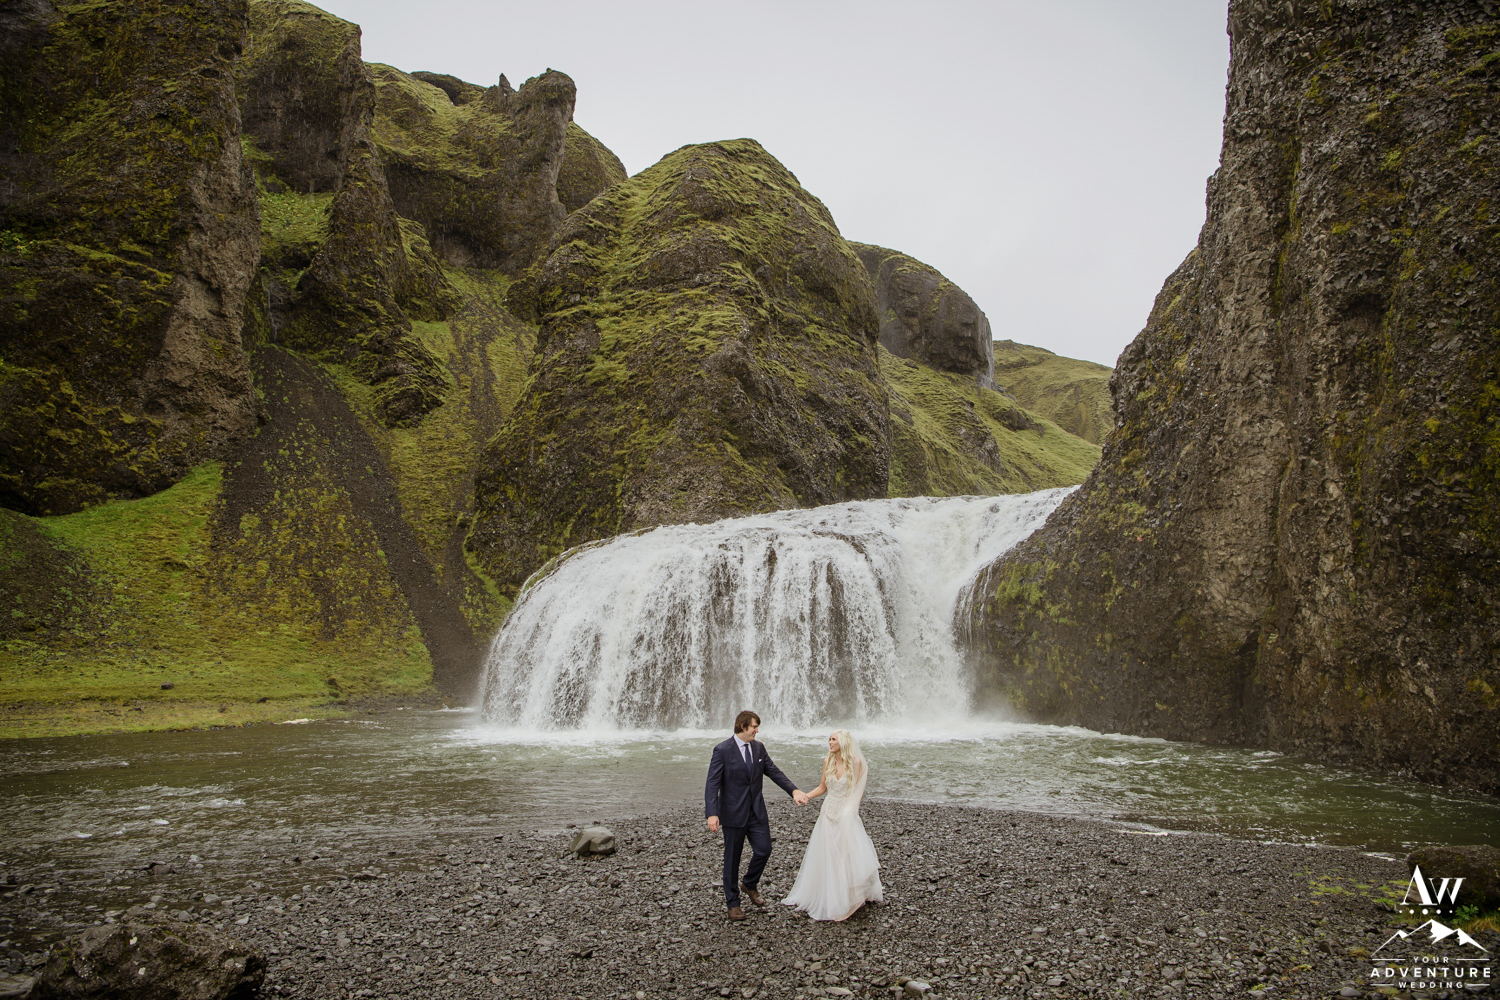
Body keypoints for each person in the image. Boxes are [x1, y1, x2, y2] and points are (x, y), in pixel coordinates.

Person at [704, 710, 808, 921]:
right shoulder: (722, 750)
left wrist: (794, 790)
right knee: (731, 859)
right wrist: (712, 813)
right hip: (732, 813)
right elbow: (712, 783)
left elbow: (773, 771)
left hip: (756, 811)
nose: (757, 731)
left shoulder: (758, 748)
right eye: (754, 727)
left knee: (764, 850)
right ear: (743, 727)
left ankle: (749, 883)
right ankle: (733, 903)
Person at [781, 729, 883, 921]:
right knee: (829, 854)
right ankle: (832, 895)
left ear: (843, 742)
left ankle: (852, 895)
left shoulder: (856, 762)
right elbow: (822, 788)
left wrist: (849, 811)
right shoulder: (827, 761)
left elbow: (858, 791)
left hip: (846, 813)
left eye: (833, 739)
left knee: (846, 854)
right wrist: (805, 796)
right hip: (828, 812)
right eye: (829, 739)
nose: (830, 742)